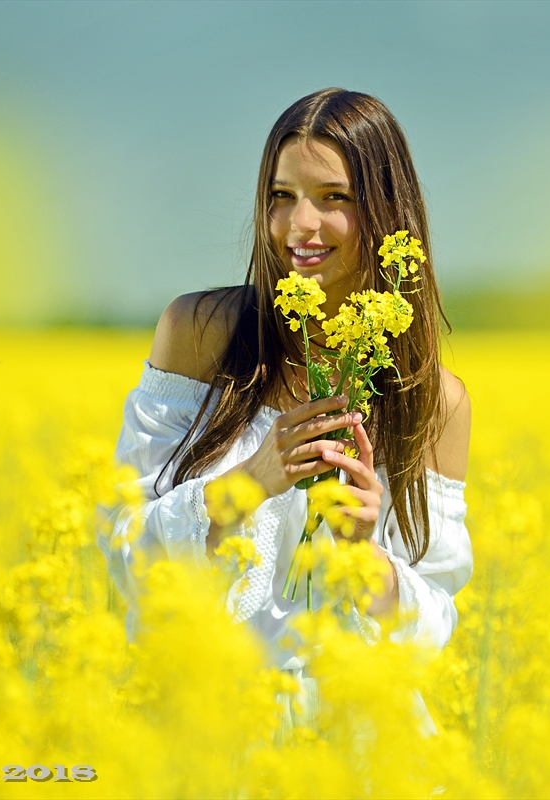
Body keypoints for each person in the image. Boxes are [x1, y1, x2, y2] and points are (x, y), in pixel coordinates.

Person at [97, 89, 473, 687]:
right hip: (205, 718)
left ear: (386, 210)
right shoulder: (201, 334)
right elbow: (121, 555)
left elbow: (433, 628)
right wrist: (250, 482)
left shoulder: (433, 399)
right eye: (282, 196)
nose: (301, 224)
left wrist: (361, 555)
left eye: (334, 198)